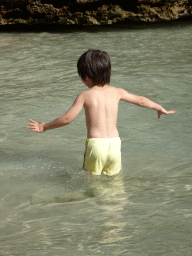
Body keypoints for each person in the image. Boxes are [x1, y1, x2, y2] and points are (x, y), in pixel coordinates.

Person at [28, 49, 176, 176]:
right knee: (114, 182)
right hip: (115, 145)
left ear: (86, 77)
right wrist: (159, 107)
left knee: (89, 178)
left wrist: (45, 126)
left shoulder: (85, 95)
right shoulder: (117, 92)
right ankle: (116, 206)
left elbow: (67, 119)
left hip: (96, 145)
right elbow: (141, 100)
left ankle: (91, 206)